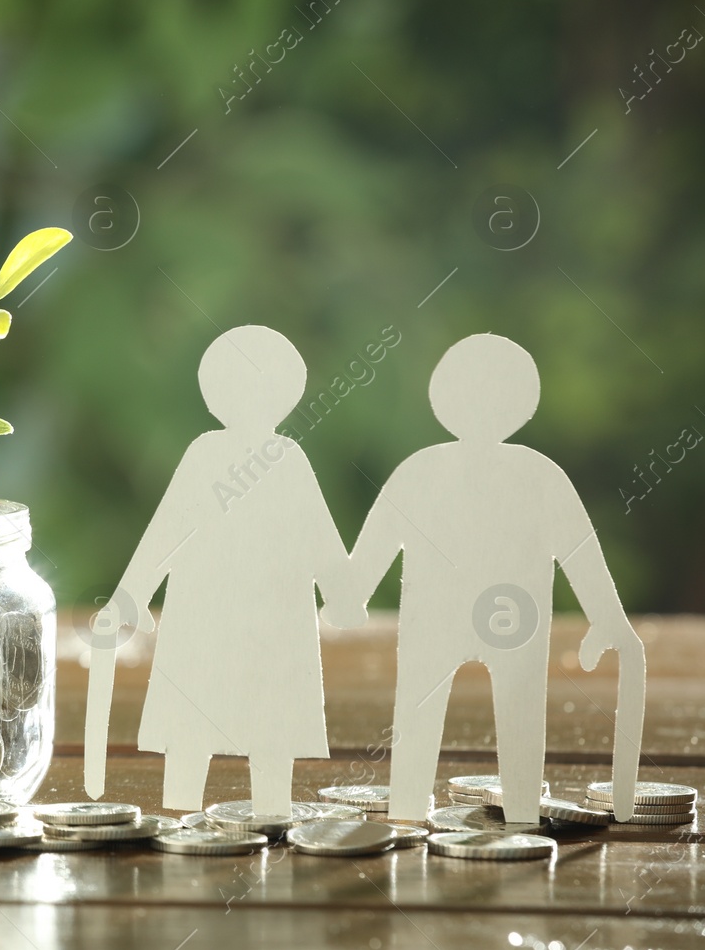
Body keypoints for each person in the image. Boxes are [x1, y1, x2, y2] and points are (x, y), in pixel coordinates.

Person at [321, 333, 645, 823]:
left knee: (463, 715)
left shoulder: (423, 470)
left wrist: (347, 599)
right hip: (502, 621)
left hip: (470, 623)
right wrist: (606, 618)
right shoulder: (537, 474)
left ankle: (465, 813)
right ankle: (486, 814)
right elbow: (579, 552)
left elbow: (366, 562)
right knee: (461, 716)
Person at [97, 325, 347, 818]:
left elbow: (167, 530)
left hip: (229, 613)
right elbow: (171, 528)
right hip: (248, 614)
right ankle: (248, 812)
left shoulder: (222, 454)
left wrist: (131, 594)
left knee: (217, 720)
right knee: (246, 720)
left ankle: (221, 812)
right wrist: (342, 593)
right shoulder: (273, 457)